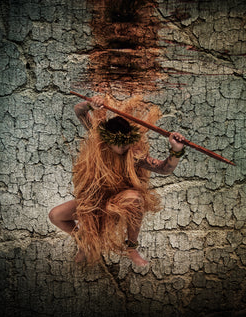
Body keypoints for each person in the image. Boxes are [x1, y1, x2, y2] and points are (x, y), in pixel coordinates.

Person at [48, 95, 186, 266]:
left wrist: (176, 150)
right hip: (95, 201)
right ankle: (85, 241)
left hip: (119, 201)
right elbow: (79, 111)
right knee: (56, 215)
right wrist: (90, 105)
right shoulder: (99, 140)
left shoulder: (134, 153)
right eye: (119, 143)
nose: (123, 147)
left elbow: (165, 169)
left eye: (126, 142)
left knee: (136, 198)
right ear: (108, 139)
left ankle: (131, 249)